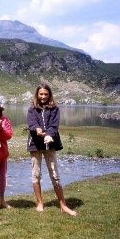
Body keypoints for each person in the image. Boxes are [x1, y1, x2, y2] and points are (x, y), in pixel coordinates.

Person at [27, 83, 77, 216]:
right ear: (37, 95)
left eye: (46, 94)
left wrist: (49, 134)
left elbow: (54, 125)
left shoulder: (54, 108)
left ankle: (63, 205)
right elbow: (32, 123)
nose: (43, 96)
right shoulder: (32, 108)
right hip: (35, 144)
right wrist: (37, 129)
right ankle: (39, 203)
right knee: (36, 174)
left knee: (55, 174)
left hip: (49, 143)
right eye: (41, 94)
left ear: (49, 95)